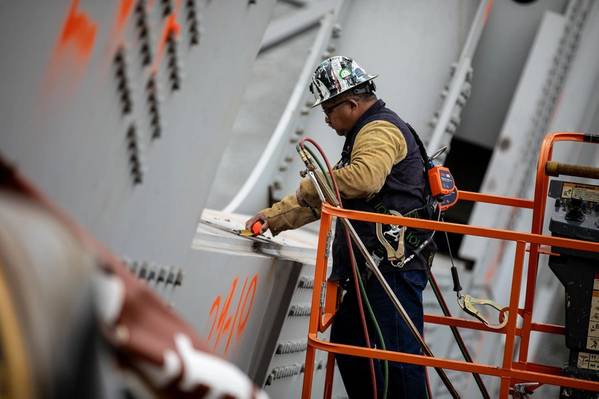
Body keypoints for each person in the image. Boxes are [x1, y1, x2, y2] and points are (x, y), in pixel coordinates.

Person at [246, 55, 434, 398]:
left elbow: (363, 180)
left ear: (351, 103)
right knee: (349, 339)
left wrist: (309, 184)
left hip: (393, 268)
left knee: (400, 359)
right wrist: (272, 218)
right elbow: (330, 194)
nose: (327, 120)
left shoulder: (379, 130)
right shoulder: (369, 131)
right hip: (378, 267)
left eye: (329, 110)